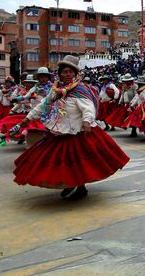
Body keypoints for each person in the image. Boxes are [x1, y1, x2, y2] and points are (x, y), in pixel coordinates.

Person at [15, 55, 129, 199]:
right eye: (64, 72)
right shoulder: (55, 90)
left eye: (70, 71)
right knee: (63, 163)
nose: (67, 74)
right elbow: (43, 105)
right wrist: (28, 118)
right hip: (59, 131)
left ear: (75, 74)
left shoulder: (80, 90)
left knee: (79, 163)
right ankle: (74, 185)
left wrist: (87, 121)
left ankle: (78, 186)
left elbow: (88, 108)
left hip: (78, 132)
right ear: (60, 74)